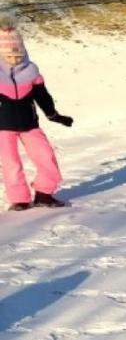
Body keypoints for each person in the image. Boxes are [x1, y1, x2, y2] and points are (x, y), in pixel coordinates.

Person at [0, 18, 72, 211]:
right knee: (10, 163)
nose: (14, 59)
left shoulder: (31, 71)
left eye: (18, 54)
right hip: (3, 127)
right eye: (9, 55)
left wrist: (54, 115)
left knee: (46, 156)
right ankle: (19, 199)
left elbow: (43, 97)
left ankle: (44, 193)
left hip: (29, 124)